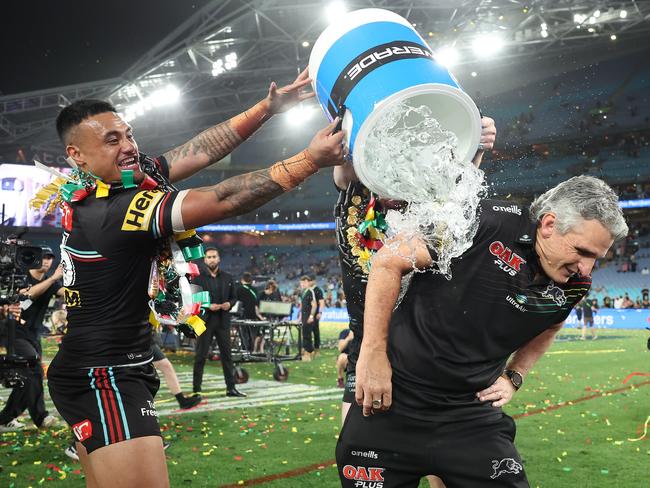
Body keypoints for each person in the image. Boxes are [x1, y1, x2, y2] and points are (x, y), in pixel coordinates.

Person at [46, 71, 345, 487]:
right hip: (106, 375)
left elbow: (196, 152)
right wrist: (310, 160)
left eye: (128, 134)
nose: (129, 146)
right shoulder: (115, 212)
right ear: (77, 155)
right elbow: (222, 199)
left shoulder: (106, 186)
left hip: (103, 366)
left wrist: (266, 109)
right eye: (112, 140)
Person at [340, 175, 627, 487]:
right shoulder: (481, 220)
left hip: (470, 418)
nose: (586, 269)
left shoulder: (576, 286)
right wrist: (372, 353)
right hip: (391, 402)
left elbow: (553, 323)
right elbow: (388, 261)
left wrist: (515, 375)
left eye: (596, 259)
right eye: (582, 251)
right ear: (548, 224)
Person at [333, 117, 496, 486]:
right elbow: (342, 172)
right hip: (368, 347)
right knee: (360, 463)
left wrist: (476, 146)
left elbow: (462, 193)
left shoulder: (432, 209)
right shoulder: (356, 192)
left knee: (445, 466)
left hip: (427, 353)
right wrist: (348, 122)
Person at [0, 246, 63, 431]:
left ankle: (5, 419)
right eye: (43, 257)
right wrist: (53, 278)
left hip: (33, 336)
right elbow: (27, 294)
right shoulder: (21, 277)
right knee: (32, 367)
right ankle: (41, 417)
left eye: (50, 258)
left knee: (28, 377)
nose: (46, 261)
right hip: (12, 332)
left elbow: (67, 294)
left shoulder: (51, 283)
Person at [192, 247, 244, 398]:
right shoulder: (198, 279)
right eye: (209, 257)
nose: (212, 259)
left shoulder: (228, 277)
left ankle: (231, 388)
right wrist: (208, 305)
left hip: (223, 321)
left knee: (227, 356)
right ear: (205, 260)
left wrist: (230, 304)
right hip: (205, 322)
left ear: (219, 259)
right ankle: (197, 391)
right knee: (200, 356)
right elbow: (194, 300)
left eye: (214, 256)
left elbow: (234, 297)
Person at [236, 272, 265, 353]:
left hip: (243, 315)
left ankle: (245, 350)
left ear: (242, 280)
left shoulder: (239, 289)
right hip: (254, 315)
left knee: (244, 334)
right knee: (253, 334)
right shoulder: (255, 290)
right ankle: (253, 350)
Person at [299, 275, 317, 361]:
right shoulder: (303, 292)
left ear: (306, 282)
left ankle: (309, 353)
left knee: (307, 336)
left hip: (308, 317)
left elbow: (314, 305)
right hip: (304, 317)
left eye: (302, 283)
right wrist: (300, 317)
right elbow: (302, 306)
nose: (301, 285)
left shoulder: (310, 291)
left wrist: (311, 316)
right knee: (305, 335)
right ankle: (307, 351)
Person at [310, 277, 326, 357]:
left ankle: (317, 350)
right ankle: (309, 349)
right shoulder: (308, 290)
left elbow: (322, 302)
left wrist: (320, 312)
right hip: (307, 314)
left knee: (315, 332)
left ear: (314, 281)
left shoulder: (317, 290)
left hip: (315, 314)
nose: (309, 282)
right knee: (307, 332)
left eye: (310, 280)